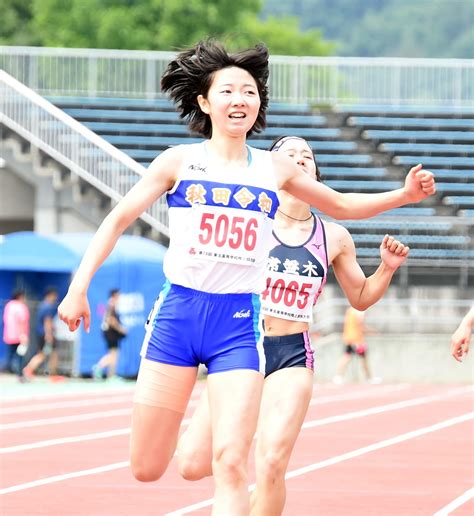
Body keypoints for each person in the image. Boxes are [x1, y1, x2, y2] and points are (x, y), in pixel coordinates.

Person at [57, 41, 435, 515]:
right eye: (229, 91)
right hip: (178, 315)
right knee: (148, 466)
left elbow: (340, 205)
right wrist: (78, 288)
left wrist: (401, 195)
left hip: (237, 323)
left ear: (259, 104)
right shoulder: (177, 162)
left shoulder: (272, 167)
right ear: (204, 101)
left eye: (250, 92)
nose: (241, 99)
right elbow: (116, 221)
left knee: (232, 462)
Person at [177, 135, 411, 515]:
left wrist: (385, 268)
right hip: (241, 347)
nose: (300, 159)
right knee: (191, 463)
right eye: (289, 154)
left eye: (307, 155)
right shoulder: (249, 218)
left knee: (270, 463)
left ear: (316, 172)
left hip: (291, 354)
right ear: (272, 167)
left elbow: (361, 297)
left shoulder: (333, 236)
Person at [332, 306, 380, 384]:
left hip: (349, 337)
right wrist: (371, 331)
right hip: (356, 340)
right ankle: (369, 378)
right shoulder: (359, 311)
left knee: (347, 357)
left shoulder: (350, 310)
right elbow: (360, 324)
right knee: (363, 359)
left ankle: (338, 376)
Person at [23, 287, 61, 380]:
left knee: (49, 353)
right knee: (45, 354)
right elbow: (47, 321)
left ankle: (51, 374)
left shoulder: (42, 305)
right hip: (45, 334)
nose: (55, 298)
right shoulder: (48, 306)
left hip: (41, 333)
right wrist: (49, 335)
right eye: (55, 296)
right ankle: (29, 369)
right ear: (51, 295)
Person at [93, 289, 127, 379]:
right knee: (113, 354)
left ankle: (111, 375)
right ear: (114, 295)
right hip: (111, 333)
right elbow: (111, 320)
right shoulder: (112, 304)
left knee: (114, 354)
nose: (120, 297)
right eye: (118, 295)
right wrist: (121, 329)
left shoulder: (110, 305)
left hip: (109, 332)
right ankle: (99, 367)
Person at [2, 289, 30, 381]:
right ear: (20, 297)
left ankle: (5, 370)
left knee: (10, 354)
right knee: (21, 356)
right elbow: (22, 321)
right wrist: (23, 335)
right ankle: (20, 374)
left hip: (9, 335)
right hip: (19, 336)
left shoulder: (8, 306)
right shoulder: (21, 306)